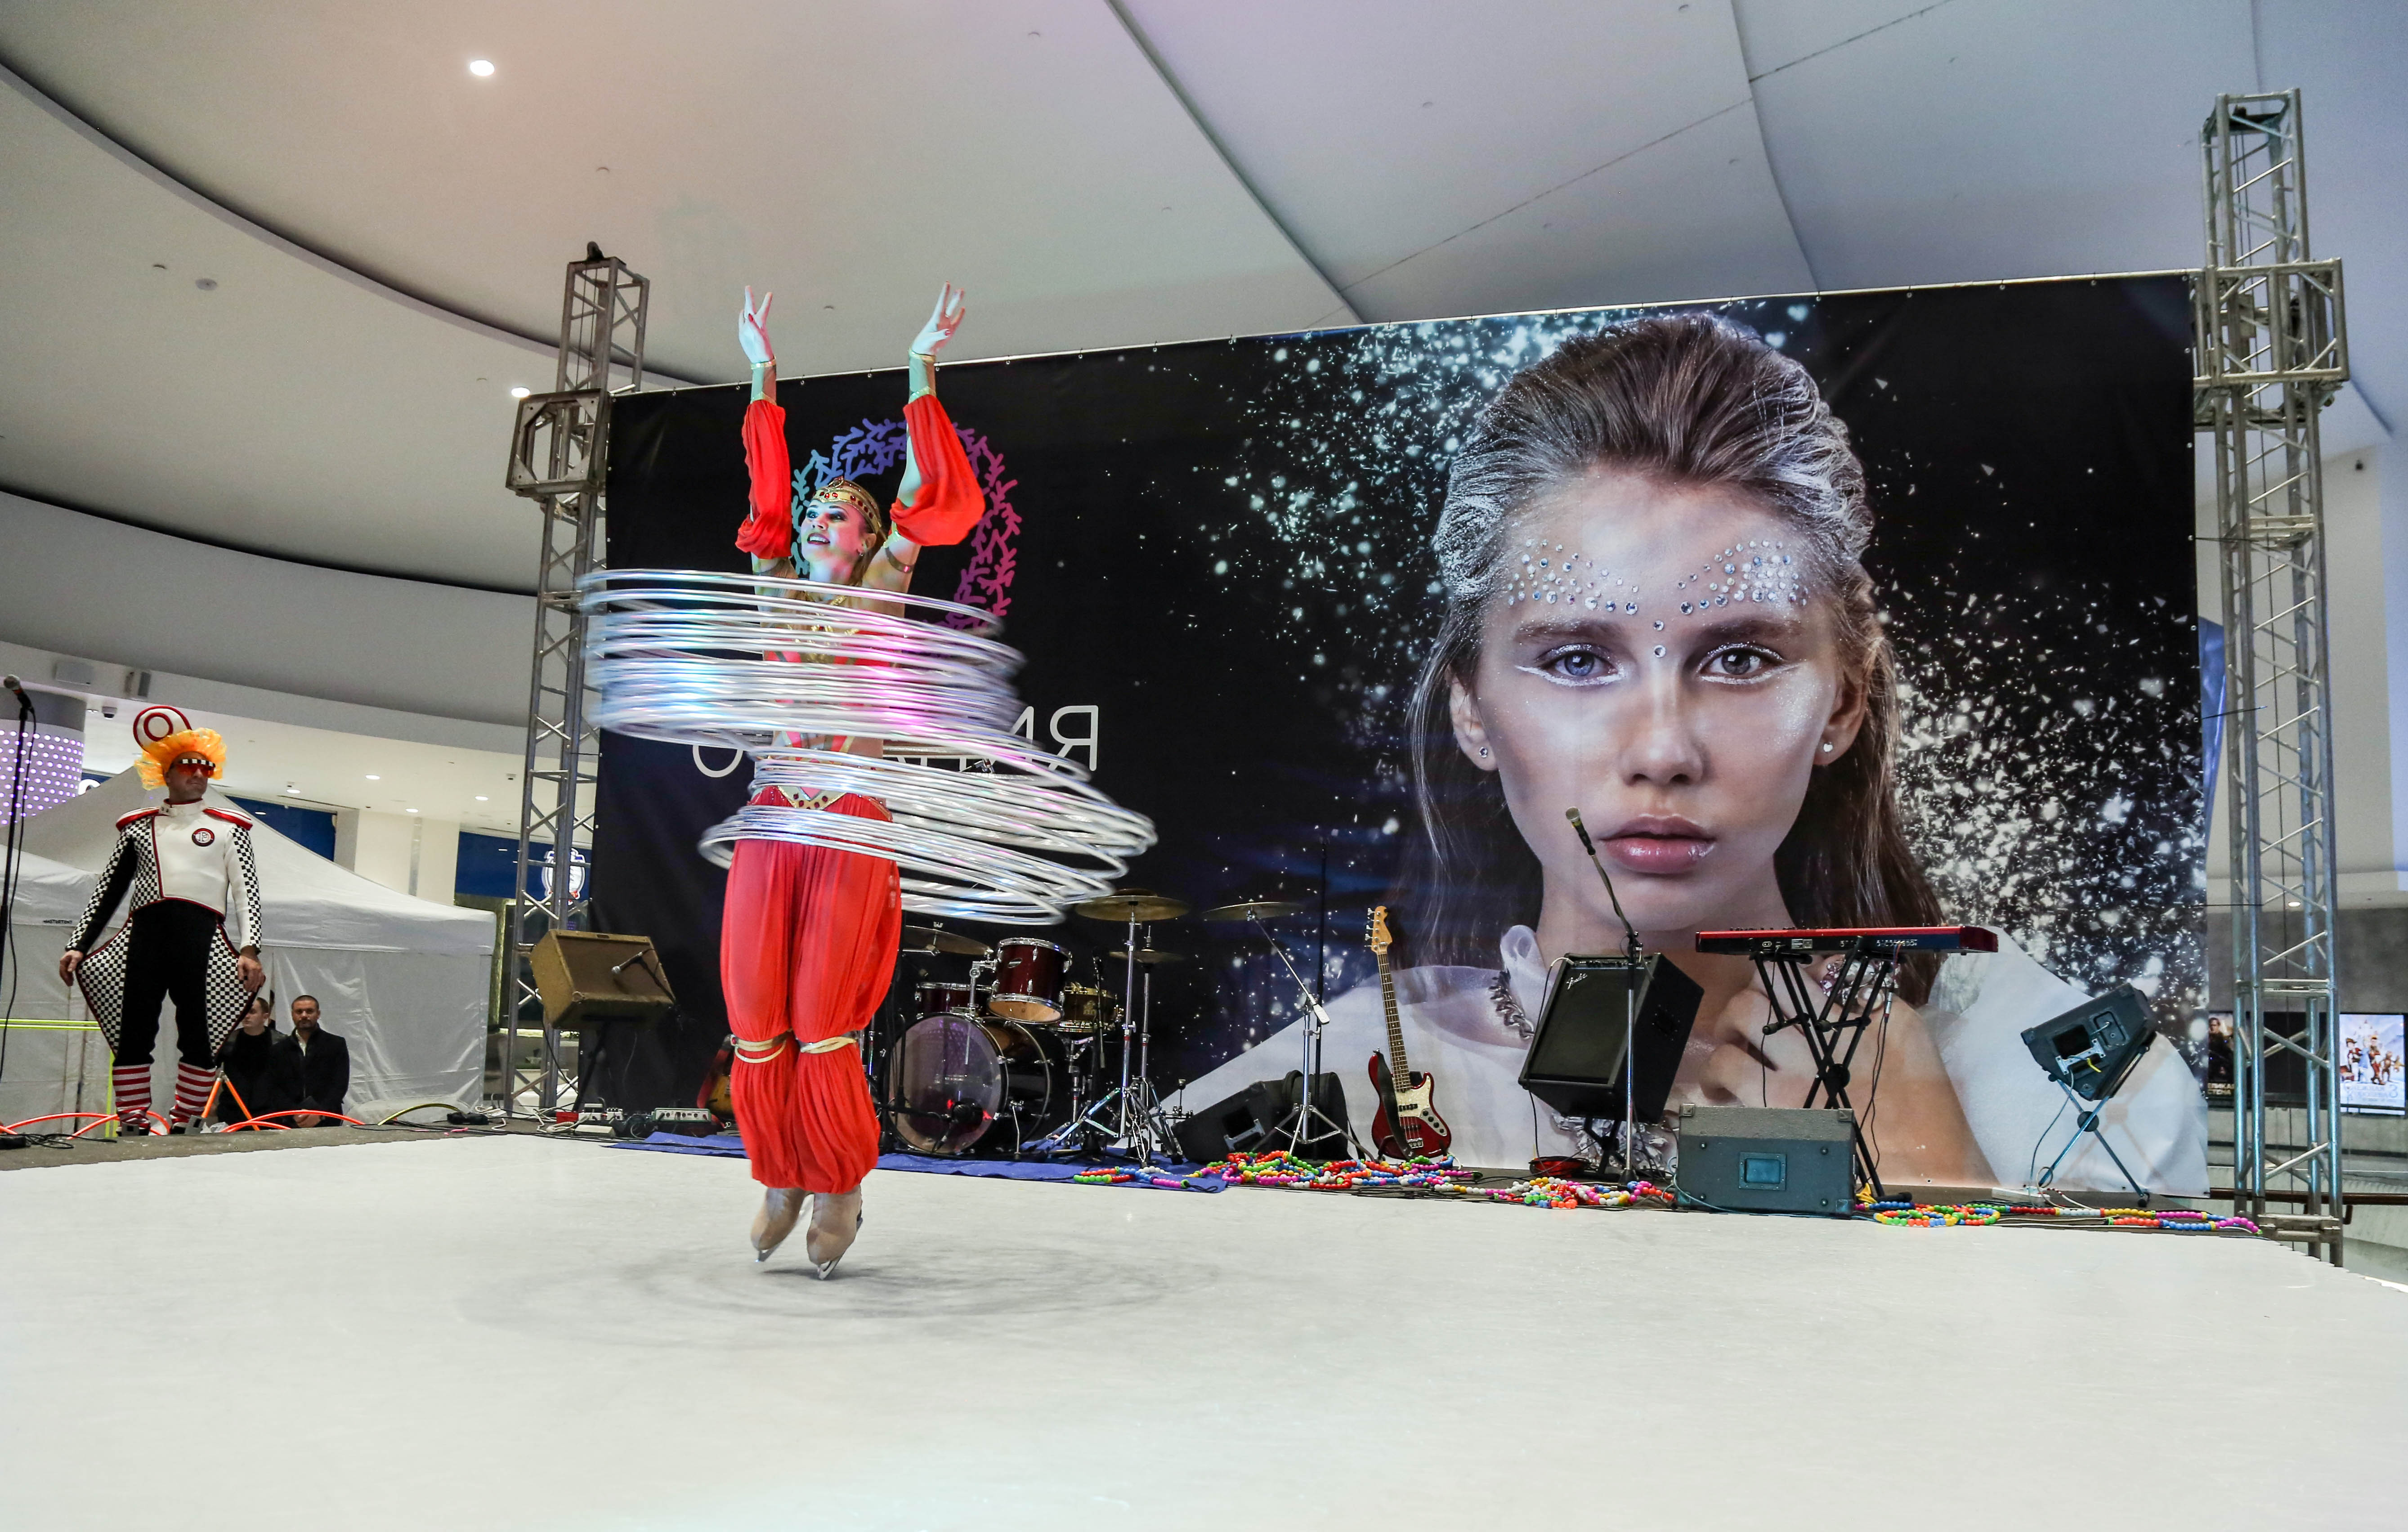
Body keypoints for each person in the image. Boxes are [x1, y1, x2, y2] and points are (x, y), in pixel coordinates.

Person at [1182, 313, 2206, 1194]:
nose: (1663, 749)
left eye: (1740, 658)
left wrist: (1930, 1173)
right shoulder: (1337, 1086)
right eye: (1577, 659)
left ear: (1842, 703)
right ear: (1472, 711)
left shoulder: (2064, 1091)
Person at [720, 282, 985, 1274]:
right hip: (774, 818)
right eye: (815, 511)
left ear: (868, 537)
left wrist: (920, 363)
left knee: (821, 1017)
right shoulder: (776, 591)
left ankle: (838, 1182)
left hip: (846, 822)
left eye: (839, 512)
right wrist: (761, 372)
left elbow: (921, 484)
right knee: (758, 1017)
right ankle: (778, 1170)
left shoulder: (884, 588)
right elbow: (764, 492)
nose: (817, 518)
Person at [60, 709, 265, 1136]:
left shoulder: (230, 828)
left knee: (200, 1033)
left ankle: (187, 1120)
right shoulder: (137, 827)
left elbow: (247, 891)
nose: (199, 774)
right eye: (188, 766)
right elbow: (108, 889)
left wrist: (250, 947)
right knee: (133, 1032)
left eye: (206, 767)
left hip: (204, 939)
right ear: (166, 773)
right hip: (144, 937)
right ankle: (132, 1121)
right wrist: (79, 943)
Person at [270, 994, 349, 1127]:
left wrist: (320, 1113)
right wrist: (294, 1114)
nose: (304, 1015)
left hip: (328, 1119)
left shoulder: (336, 1044)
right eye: (299, 1012)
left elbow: (340, 1084)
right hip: (290, 1121)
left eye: (310, 1011)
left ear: (318, 1014)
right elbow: (275, 1088)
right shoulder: (279, 1049)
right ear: (292, 1015)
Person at [215, 991, 285, 1124]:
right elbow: (210, 1071)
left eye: (252, 1012)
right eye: (244, 1011)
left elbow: (291, 1078)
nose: (246, 1016)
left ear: (265, 1016)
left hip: (269, 1112)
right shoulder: (228, 1041)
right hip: (232, 1110)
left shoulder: (280, 1042)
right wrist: (210, 1103)